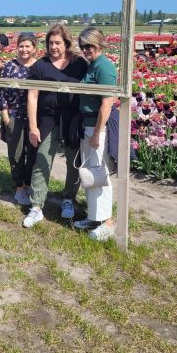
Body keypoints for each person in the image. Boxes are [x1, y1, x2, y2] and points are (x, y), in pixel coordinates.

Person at [23, 24, 88, 228]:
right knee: (42, 159)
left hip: (72, 119)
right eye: (50, 43)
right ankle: (36, 206)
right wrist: (33, 126)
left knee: (73, 162)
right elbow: (32, 96)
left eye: (58, 43)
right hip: (47, 118)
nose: (53, 47)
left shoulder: (79, 64)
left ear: (67, 43)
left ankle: (68, 198)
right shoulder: (40, 66)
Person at [73, 27, 117, 241]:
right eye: (82, 46)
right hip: (87, 125)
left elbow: (106, 105)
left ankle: (107, 223)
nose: (85, 50)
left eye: (89, 45)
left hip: (97, 127)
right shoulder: (93, 65)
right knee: (91, 174)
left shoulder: (105, 67)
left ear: (99, 44)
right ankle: (94, 217)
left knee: (100, 174)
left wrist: (97, 134)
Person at [0, 33, 39, 205]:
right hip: (14, 115)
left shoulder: (39, 67)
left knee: (33, 153)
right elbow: (3, 92)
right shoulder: (9, 66)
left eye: (28, 46)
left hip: (34, 118)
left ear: (34, 48)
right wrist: (5, 116)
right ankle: (19, 187)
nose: (24, 49)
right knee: (16, 153)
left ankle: (29, 184)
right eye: (21, 46)